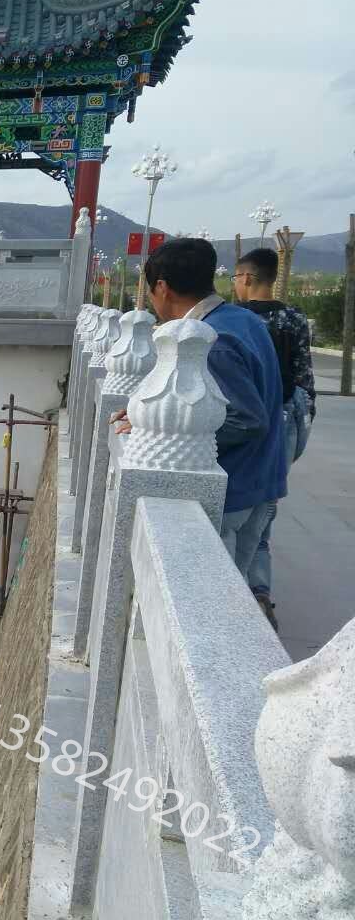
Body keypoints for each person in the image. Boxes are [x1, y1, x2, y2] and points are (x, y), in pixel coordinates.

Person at [120, 239, 286, 591]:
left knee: (207, 592)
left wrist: (162, 431)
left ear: (162, 288)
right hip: (260, 479)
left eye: (149, 290)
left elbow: (246, 419)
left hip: (233, 489)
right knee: (234, 586)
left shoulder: (211, 340)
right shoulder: (243, 319)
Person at [231, 247, 315, 629]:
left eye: (235, 277)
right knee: (265, 513)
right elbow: (304, 380)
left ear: (247, 278)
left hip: (248, 426)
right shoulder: (294, 318)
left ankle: (236, 598)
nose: (235, 284)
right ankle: (260, 594)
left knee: (240, 514)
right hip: (287, 423)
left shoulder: (239, 320)